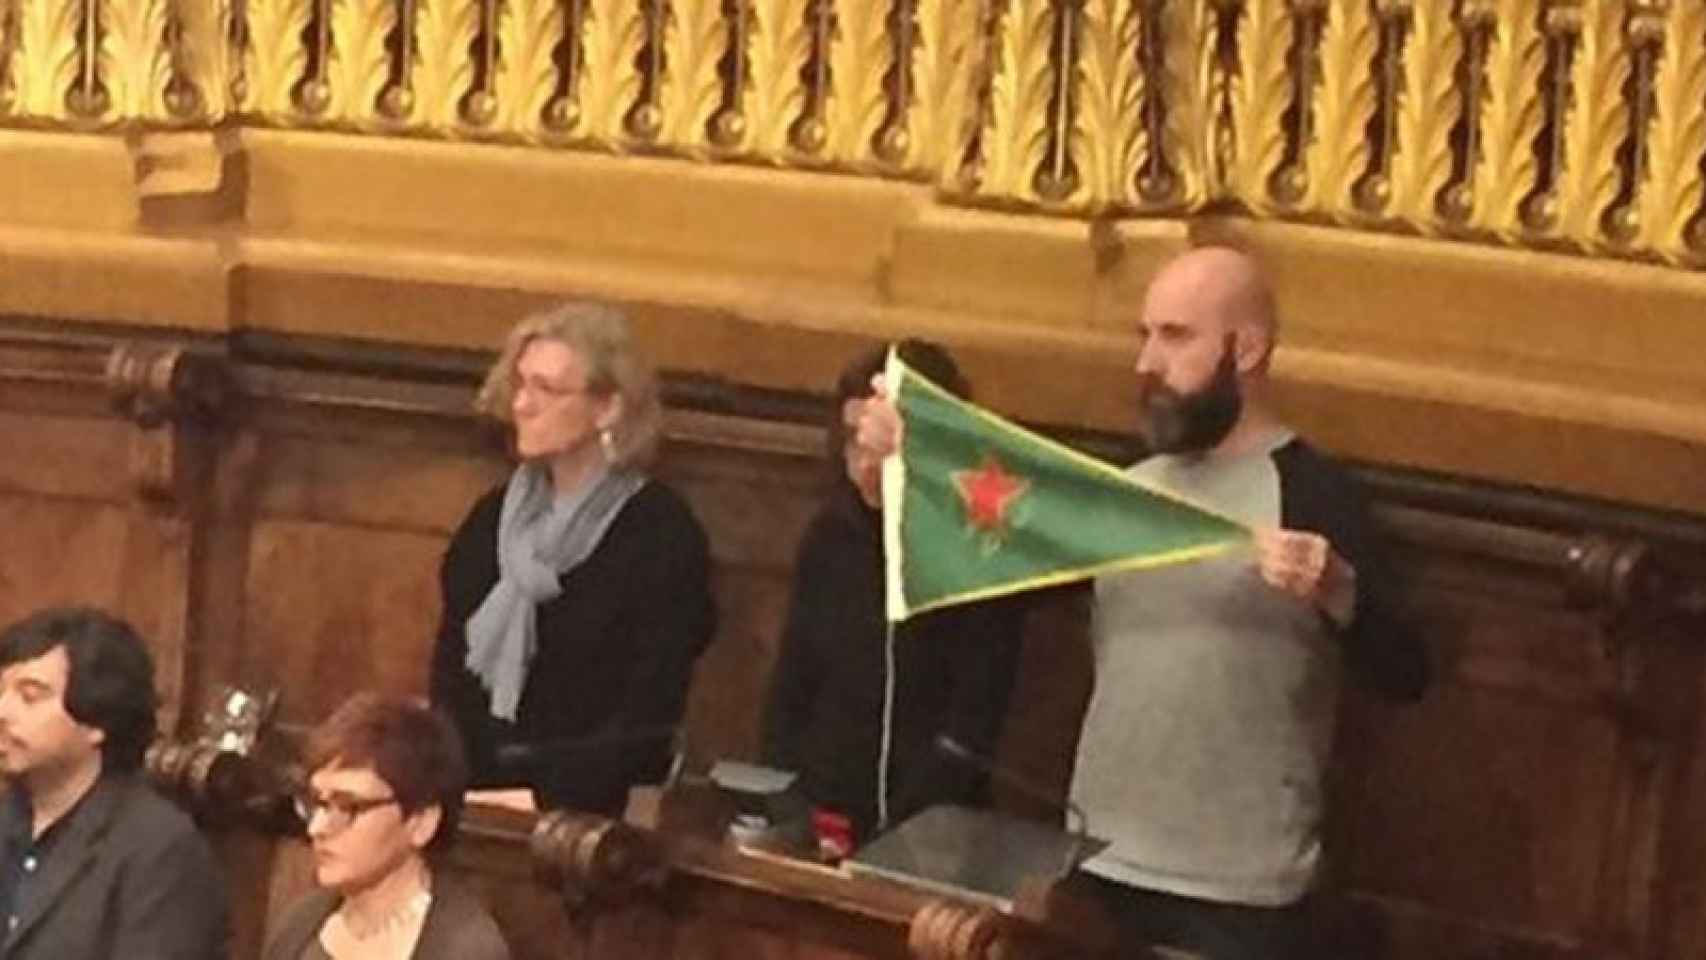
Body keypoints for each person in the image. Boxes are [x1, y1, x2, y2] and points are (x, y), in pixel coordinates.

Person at [852, 247, 1428, 960]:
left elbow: (1408, 670)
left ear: (1245, 348)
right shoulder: (1127, 491)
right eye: (1144, 335)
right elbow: (991, 577)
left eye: (1176, 337)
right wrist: (908, 476)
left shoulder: (1315, 493)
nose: (1146, 364)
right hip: (1096, 865)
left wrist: (1339, 587)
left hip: (1238, 893)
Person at [430, 303, 716, 815]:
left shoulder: (659, 534)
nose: (522, 404)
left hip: (588, 814)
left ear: (607, 408)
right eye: (520, 384)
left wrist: (542, 797)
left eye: (547, 390)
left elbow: (647, 718)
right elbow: (450, 677)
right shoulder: (491, 519)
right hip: (472, 796)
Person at [762, 341, 1025, 844]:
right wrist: (785, 796)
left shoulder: (977, 553)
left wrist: (902, 820)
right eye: (853, 441)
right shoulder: (829, 538)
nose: (863, 462)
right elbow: (792, 687)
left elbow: (974, 719)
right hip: (820, 810)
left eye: (878, 443)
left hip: (930, 823)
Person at [0, 606, 229, 960]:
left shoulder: (160, 850)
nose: (3, 711)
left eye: (29, 696)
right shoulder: (9, 818)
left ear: (95, 721)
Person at [263, 693, 508, 960]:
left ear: (420, 822)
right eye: (318, 804)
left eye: (349, 807)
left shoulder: (466, 949)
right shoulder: (301, 923)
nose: (317, 827)